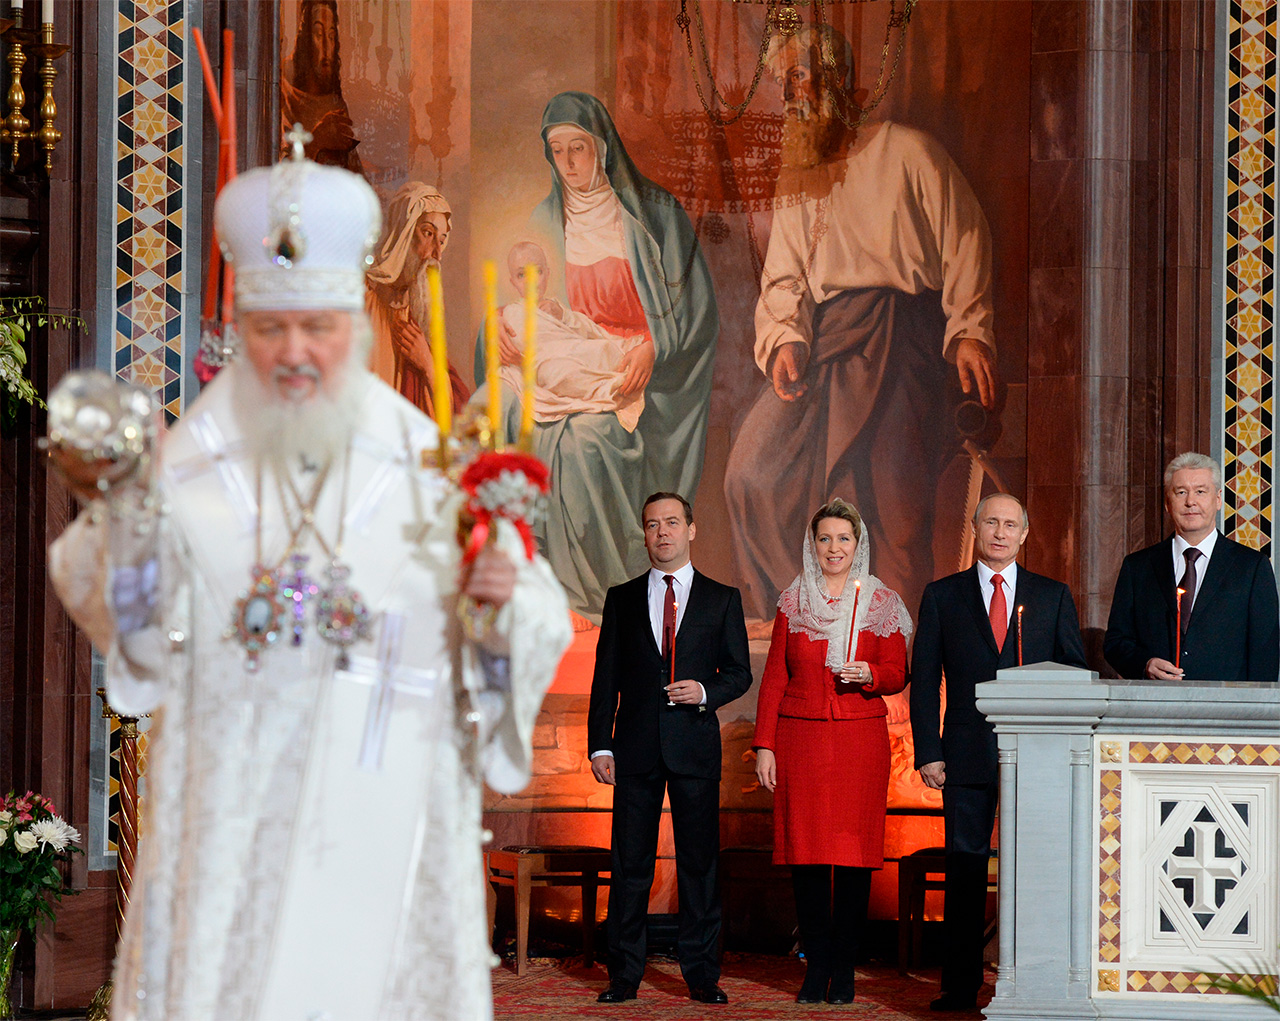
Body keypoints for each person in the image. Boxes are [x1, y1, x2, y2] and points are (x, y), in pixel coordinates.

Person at [46, 145, 571, 1020]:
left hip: (379, 820)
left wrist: (497, 601)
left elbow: (530, 617)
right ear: (240, 332)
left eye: (319, 326)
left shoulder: (426, 465)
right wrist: (128, 534)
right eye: (270, 329)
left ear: (357, 326)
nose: (295, 352)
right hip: (226, 836)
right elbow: (137, 641)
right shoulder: (184, 470)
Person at [723, 25, 998, 625]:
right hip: (826, 345)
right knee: (751, 473)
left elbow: (966, 234)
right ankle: (801, 622)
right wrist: (784, 339)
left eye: (800, 76)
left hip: (902, 340)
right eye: (781, 83)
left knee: (891, 506)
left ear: (838, 81)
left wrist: (970, 327)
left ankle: (893, 655)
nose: (791, 94)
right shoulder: (797, 177)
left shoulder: (907, 150)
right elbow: (782, 280)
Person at [491, 91, 718, 624]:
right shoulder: (543, 220)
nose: (569, 164)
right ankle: (543, 590)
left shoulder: (653, 215)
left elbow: (699, 314)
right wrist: (498, 335)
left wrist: (653, 346)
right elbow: (519, 305)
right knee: (508, 411)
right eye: (558, 150)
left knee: (587, 441)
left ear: (603, 148)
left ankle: (605, 595)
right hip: (568, 366)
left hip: (644, 372)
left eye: (579, 148)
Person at [909, 493, 1087, 1012]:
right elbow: (924, 682)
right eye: (992, 522)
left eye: (1011, 524)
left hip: (1039, 761)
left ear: (1025, 534)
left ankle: (1035, 981)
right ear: (976, 527)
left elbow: (1074, 674)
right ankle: (959, 986)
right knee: (965, 870)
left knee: (1036, 870)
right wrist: (928, 751)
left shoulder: (1051, 596)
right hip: (963, 755)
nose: (1001, 532)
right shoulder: (943, 595)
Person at [587, 492, 752, 1005]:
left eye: (672, 522)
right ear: (645, 534)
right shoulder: (622, 597)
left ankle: (702, 974)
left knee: (699, 865)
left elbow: (740, 673)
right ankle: (624, 975)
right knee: (630, 863)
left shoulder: (722, 598)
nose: (663, 532)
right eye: (653, 524)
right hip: (633, 748)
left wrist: (704, 692)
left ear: (691, 530)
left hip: (694, 748)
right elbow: (605, 678)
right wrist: (599, 746)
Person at [753, 499, 910, 1004]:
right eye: (825, 539)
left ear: (858, 544)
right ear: (812, 544)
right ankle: (814, 966)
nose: (834, 548)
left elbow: (897, 671)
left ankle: (843, 968)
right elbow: (775, 677)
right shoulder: (793, 600)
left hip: (858, 741)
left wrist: (871, 676)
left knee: (853, 858)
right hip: (801, 740)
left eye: (844, 538)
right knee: (808, 859)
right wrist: (764, 746)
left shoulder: (881, 602)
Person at [1104, 451, 1280, 681]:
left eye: (1200, 491)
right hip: (1154, 707)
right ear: (1168, 502)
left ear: (1218, 499)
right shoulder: (1138, 567)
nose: (1190, 502)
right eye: (1181, 492)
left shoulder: (1251, 567)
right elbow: (1116, 642)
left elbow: (1265, 651)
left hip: (1226, 709)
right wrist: (1144, 664)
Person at [497, 240, 647, 432]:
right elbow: (525, 347)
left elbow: (588, 331)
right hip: (546, 365)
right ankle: (610, 388)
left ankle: (613, 378)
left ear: (547, 274)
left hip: (579, 354)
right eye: (521, 275)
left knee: (601, 350)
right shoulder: (513, 312)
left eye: (538, 272)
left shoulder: (560, 310)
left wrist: (562, 315)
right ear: (513, 282)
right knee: (557, 372)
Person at [365, 181, 470, 417]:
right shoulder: (364, 298)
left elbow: (458, 412)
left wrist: (428, 364)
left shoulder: (419, 314)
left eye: (442, 240)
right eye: (428, 233)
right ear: (403, 232)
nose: (437, 253)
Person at [279, 0, 362, 171]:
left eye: (331, 37)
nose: (327, 47)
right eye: (318, 34)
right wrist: (315, 141)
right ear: (305, 39)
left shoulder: (334, 102)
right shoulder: (282, 91)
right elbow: (278, 172)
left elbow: (351, 168)